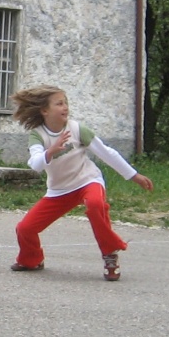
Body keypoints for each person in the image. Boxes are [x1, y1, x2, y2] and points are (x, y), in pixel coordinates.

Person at [8, 84, 153, 280]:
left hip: (87, 181)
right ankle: (31, 259)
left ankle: (110, 255)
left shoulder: (77, 129)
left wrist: (134, 175)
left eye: (66, 103)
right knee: (25, 229)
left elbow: (107, 153)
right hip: (59, 190)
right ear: (44, 111)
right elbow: (35, 164)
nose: (65, 107)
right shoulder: (37, 135)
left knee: (95, 205)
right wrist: (51, 151)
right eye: (59, 103)